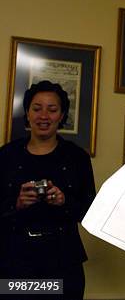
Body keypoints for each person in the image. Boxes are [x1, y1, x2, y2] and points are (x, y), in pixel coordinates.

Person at [0, 80, 96, 300]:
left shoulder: (77, 158)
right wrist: (16, 204)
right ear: (27, 113)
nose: (44, 116)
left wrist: (64, 201)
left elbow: (91, 211)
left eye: (52, 110)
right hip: (14, 261)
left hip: (63, 262)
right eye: (37, 109)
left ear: (61, 115)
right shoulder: (6, 156)